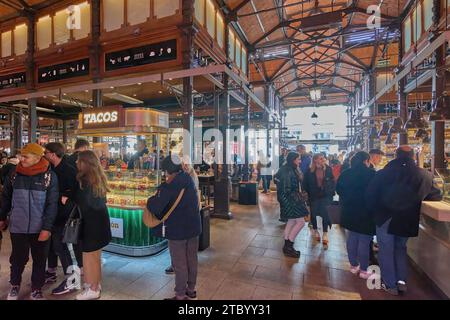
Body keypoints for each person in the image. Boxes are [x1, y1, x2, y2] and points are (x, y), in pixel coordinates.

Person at [366, 146, 442, 295]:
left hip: (385, 217)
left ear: (396, 155)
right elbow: (436, 195)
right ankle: (401, 282)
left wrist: (375, 213)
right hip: (408, 218)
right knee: (400, 249)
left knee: (386, 250)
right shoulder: (424, 175)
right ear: (413, 156)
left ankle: (390, 284)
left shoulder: (383, 173)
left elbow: (370, 195)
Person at [0, 143, 59, 300]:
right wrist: (2, 217)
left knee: (40, 259)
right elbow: (5, 198)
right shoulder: (14, 174)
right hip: (17, 226)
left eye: (26, 156)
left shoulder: (49, 176)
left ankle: (36, 288)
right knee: (18, 258)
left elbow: (52, 204)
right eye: (21, 155)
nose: (21, 159)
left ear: (38, 158)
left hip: (40, 228)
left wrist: (47, 228)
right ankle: (14, 285)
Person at [147, 155, 201, 300]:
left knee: (179, 263)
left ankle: (180, 295)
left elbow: (156, 206)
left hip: (178, 229)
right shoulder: (187, 178)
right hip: (194, 227)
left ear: (167, 169)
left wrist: (149, 200)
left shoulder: (170, 185)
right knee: (192, 259)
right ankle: (191, 289)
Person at [44, 142, 82, 295]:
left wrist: (66, 198)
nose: (44, 155)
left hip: (64, 215)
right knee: (53, 244)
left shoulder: (69, 170)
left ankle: (72, 279)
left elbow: (78, 191)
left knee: (60, 246)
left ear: (53, 154)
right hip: (52, 212)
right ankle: (52, 271)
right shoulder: (50, 168)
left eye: (46, 152)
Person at [74, 151, 112, 300]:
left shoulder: (85, 180)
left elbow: (85, 204)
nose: (76, 163)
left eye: (78, 160)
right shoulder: (99, 177)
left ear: (85, 163)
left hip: (90, 224)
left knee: (89, 258)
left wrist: (70, 200)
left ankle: (93, 289)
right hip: (100, 222)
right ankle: (96, 284)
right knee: (95, 257)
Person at [336, 151, 376, 279]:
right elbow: (378, 192)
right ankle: (364, 270)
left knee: (351, 238)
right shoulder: (372, 174)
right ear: (366, 161)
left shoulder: (345, 173)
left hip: (349, 210)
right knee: (364, 241)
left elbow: (339, 190)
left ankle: (353, 266)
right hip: (367, 211)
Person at [165, 160, 200, 275]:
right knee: (188, 254)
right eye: (183, 164)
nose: (185, 166)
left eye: (187, 164)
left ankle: (181, 287)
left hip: (183, 220)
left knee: (181, 250)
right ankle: (190, 288)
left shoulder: (187, 178)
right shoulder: (184, 178)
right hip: (191, 220)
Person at [274, 152, 309, 258]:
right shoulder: (288, 171)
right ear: (293, 160)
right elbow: (287, 189)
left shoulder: (287, 168)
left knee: (291, 221)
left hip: (288, 200)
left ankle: (287, 246)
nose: (300, 161)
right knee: (301, 222)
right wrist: (299, 198)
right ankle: (289, 244)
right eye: (298, 159)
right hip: (291, 200)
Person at [303, 153, 336, 248]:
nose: (323, 160)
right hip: (313, 196)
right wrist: (307, 193)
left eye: (323, 158)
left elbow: (333, 181)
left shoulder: (328, 169)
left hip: (325, 196)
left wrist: (330, 190)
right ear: (315, 160)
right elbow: (305, 183)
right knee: (313, 214)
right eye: (321, 158)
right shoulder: (309, 171)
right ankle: (316, 230)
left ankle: (325, 233)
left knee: (325, 214)